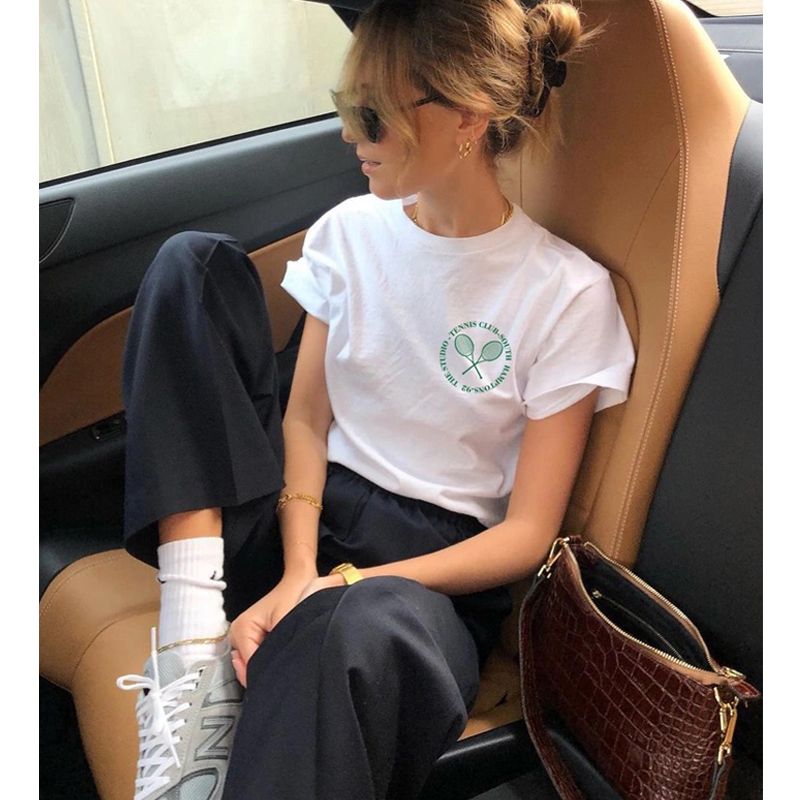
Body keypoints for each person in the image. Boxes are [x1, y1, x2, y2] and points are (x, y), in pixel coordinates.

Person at [114, 0, 635, 798]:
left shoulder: (565, 293)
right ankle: (191, 658)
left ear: (467, 116)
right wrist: (298, 570)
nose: (349, 135)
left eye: (372, 115)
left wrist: (340, 586)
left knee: (347, 631)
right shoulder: (348, 233)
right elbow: (305, 418)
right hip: (303, 510)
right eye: (344, 106)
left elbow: (527, 534)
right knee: (192, 266)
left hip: (421, 579)